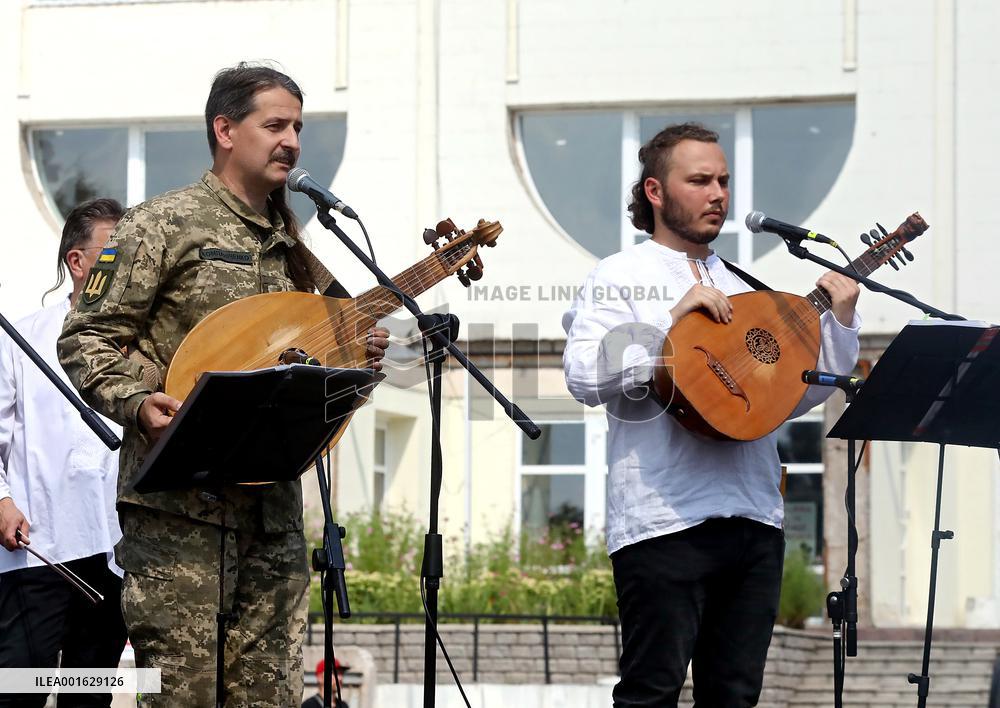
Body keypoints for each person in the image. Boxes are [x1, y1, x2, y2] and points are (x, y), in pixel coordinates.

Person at [57, 64, 389, 705]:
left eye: (298, 127)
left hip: (271, 514)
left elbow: (323, 367)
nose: (292, 141)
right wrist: (137, 402)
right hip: (178, 516)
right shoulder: (157, 225)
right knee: (182, 697)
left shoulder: (293, 247)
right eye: (276, 125)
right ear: (226, 130)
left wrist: (360, 358)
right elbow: (85, 338)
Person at [562, 123, 861, 707]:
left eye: (723, 180)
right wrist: (670, 320)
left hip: (753, 518)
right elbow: (583, 375)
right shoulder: (620, 274)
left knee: (735, 696)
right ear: (655, 191)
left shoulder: (743, 284)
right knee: (651, 693)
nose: (718, 194)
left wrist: (842, 323)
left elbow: (790, 396)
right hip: (663, 520)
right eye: (700, 180)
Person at [0, 198, 128, 707]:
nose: (130, 264)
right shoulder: (21, 337)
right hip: (39, 548)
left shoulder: (147, 345)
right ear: (77, 262)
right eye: (116, 253)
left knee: (89, 698)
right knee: (16, 694)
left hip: (116, 551)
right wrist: (1, 501)